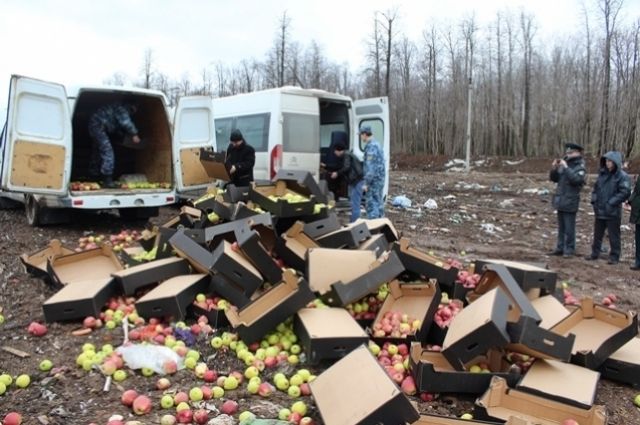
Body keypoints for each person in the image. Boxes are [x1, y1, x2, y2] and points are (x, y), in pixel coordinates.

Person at [585, 151, 631, 265]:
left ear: (616, 162)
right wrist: (594, 200)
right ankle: (594, 253)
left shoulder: (622, 176)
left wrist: (611, 203)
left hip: (612, 211)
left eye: (610, 161)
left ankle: (614, 256)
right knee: (597, 234)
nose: (607, 163)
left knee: (613, 235)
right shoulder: (602, 174)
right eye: (606, 161)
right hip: (599, 209)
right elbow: (595, 189)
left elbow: (625, 192)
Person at [88, 102, 140, 188]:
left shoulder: (116, 108)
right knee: (108, 151)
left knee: (98, 152)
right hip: (98, 126)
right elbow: (126, 122)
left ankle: (93, 176)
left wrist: (121, 136)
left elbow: (114, 125)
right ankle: (107, 180)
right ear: (133, 107)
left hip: (95, 125)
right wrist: (134, 134)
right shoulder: (122, 109)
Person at [548, 143, 586, 257]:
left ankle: (569, 249)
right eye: (567, 153)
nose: (568, 155)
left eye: (571, 152)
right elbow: (554, 179)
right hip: (561, 199)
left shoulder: (580, 165)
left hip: (570, 200)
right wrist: (554, 168)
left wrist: (566, 167)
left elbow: (577, 180)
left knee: (569, 227)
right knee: (561, 227)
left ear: (578, 153)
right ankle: (560, 247)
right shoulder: (565, 164)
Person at [331, 141, 364, 222]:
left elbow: (346, 167)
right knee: (354, 202)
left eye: (334, 151)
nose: (334, 153)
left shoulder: (346, 155)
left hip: (357, 181)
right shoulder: (347, 154)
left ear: (338, 150)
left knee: (355, 203)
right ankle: (354, 221)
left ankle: (355, 223)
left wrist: (337, 173)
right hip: (356, 181)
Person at [360, 125, 386, 219]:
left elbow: (370, 168)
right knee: (379, 204)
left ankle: (374, 227)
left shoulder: (371, 147)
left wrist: (366, 183)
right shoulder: (377, 144)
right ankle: (381, 225)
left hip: (373, 182)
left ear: (365, 134)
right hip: (379, 180)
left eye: (361, 135)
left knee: (372, 205)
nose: (361, 137)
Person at [628, 172, 640, 270]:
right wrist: (631, 200)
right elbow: (636, 191)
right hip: (638, 213)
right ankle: (638, 261)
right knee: (638, 238)